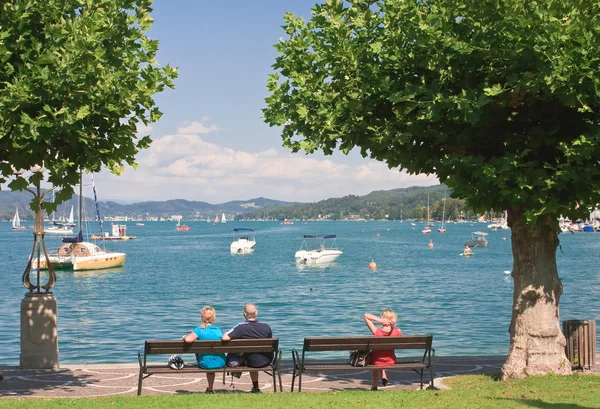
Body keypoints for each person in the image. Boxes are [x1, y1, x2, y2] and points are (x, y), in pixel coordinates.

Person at [222, 303, 273, 393]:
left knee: (244, 354)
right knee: (253, 354)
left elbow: (224, 338)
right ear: (256, 313)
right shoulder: (266, 327)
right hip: (266, 360)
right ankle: (256, 387)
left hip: (251, 361)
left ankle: (254, 386)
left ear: (244, 314)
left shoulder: (241, 327)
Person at [183, 306, 226, 394]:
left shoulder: (199, 330)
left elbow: (188, 340)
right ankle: (210, 388)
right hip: (220, 362)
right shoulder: (219, 330)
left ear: (202, 317)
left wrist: (184, 337)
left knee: (201, 351)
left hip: (205, 363)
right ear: (214, 318)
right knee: (211, 354)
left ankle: (210, 389)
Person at [364, 309, 402, 391]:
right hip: (391, 360)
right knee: (382, 354)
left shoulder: (376, 332)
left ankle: (374, 386)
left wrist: (379, 320)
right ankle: (383, 375)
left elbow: (366, 316)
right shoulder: (398, 332)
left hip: (377, 361)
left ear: (383, 319)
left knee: (376, 357)